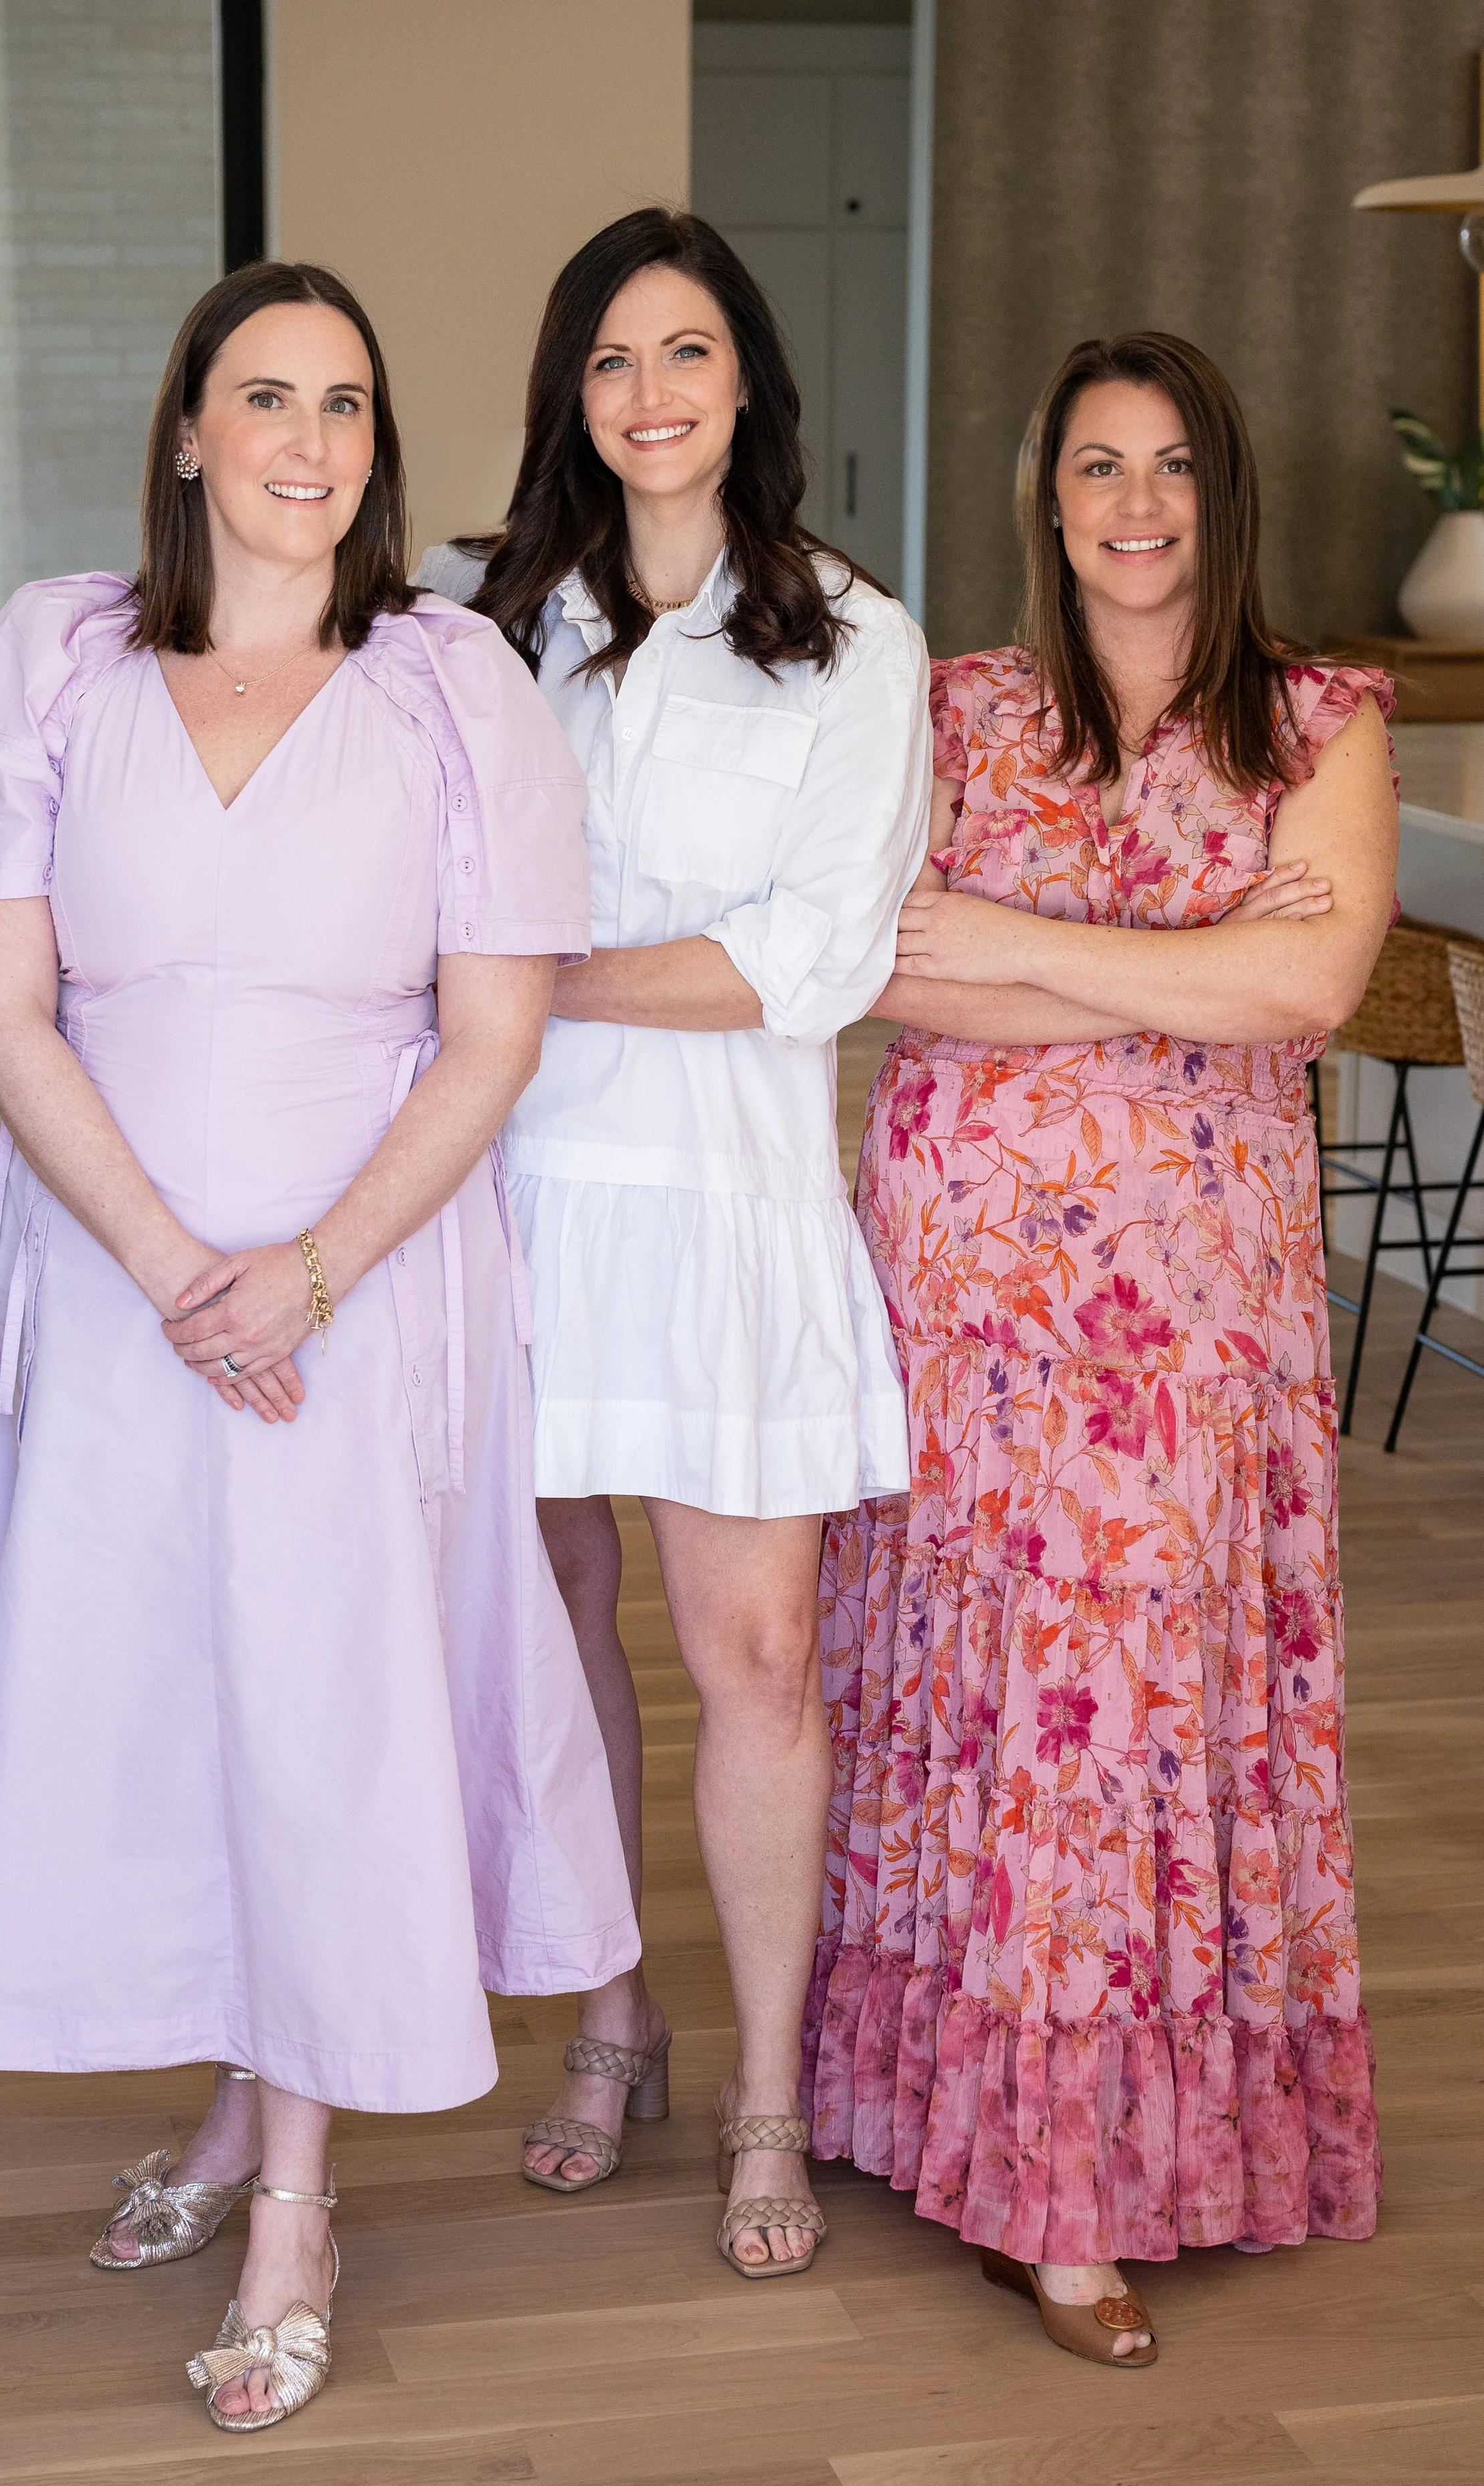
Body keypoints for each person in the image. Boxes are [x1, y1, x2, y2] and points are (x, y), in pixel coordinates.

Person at [0, 259, 637, 2432]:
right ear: (188, 429)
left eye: (348, 406)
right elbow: (7, 1003)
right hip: (112, 1281)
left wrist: (303, 1271)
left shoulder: (451, 682)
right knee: (171, 1689)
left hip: (365, 1276)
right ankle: (232, 2090)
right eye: (265, 397)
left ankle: (299, 2191)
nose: (308, 441)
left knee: (323, 1702)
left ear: (378, 453)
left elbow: (493, 1032)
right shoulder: (55, 658)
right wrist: (167, 1261)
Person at [804, 331, 1393, 2364]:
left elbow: (1308, 981)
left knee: (1136, 1707)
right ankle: (970, 2137)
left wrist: (1038, 950)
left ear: (1220, 496)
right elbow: (882, 965)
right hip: (968, 1312)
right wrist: (1180, 978)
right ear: (1042, 500)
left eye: (1167, 470)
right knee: (984, 1700)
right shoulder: (954, 709)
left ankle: (1105, 2166)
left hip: (1195, 1322)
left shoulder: (1316, 724)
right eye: (1091, 469)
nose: (1132, 507)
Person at [418, 208, 930, 2278]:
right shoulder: (472, 621)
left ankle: (768, 2095)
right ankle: (609, 2014)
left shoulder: (851, 637)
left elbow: (811, 957)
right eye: (612, 358)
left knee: (756, 1662)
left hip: (723, 1210)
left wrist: (529, 980)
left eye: (687, 352)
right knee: (546, 1627)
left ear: (747, 388)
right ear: (572, 391)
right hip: (510, 1194)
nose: (649, 394)